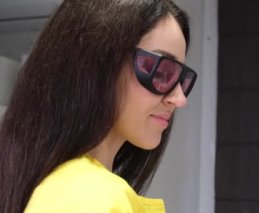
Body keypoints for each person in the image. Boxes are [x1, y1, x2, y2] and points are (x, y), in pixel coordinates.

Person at [0, 0, 197, 212]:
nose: (179, 99)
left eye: (181, 78)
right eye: (161, 71)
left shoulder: (75, 191)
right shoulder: (84, 196)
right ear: (96, 64)